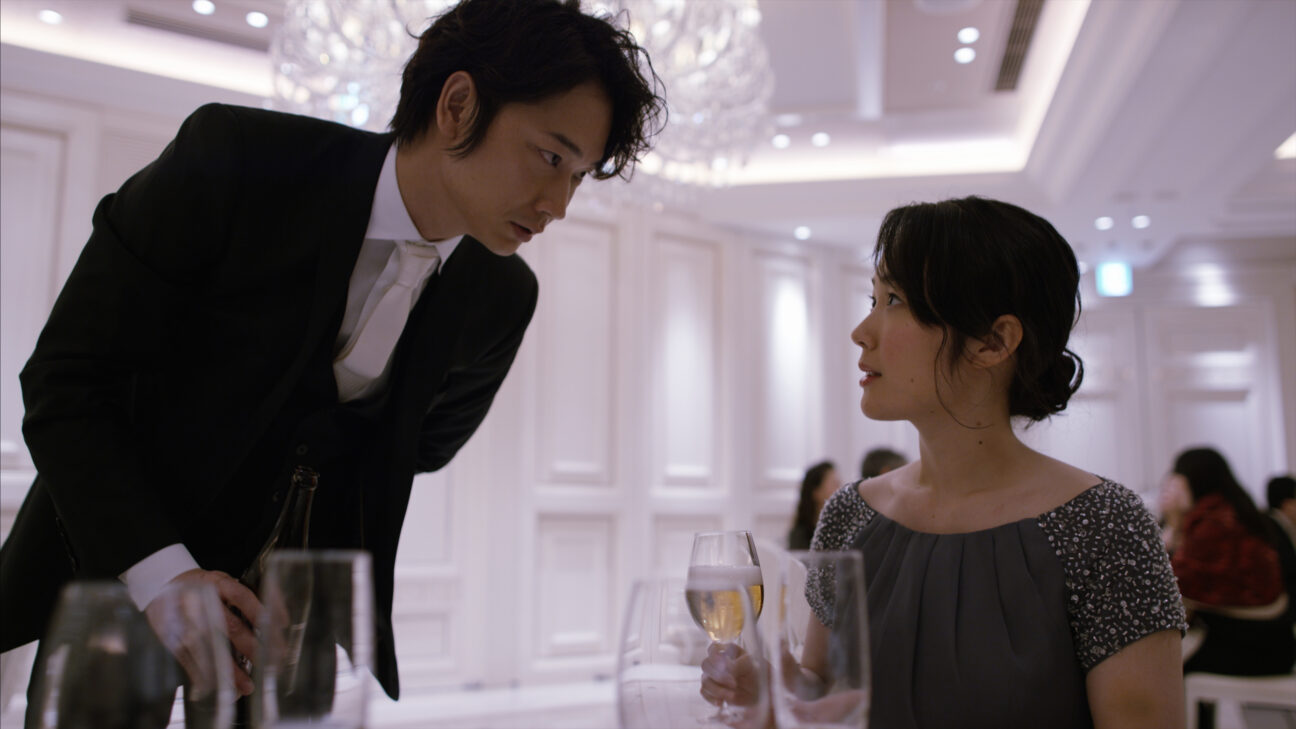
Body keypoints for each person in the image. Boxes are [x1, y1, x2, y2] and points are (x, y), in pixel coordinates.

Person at [0, 0, 664, 722]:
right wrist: (162, 574)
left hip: (289, 630)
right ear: (458, 106)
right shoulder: (238, 160)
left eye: (579, 175)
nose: (559, 204)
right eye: (552, 157)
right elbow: (66, 379)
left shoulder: (499, 297)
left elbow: (420, 444)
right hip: (120, 577)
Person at [702, 197, 1186, 728]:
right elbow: (825, 686)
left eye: (894, 300)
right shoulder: (850, 514)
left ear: (993, 342)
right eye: (873, 298)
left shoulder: (1103, 525)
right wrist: (769, 688)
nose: (861, 331)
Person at [1161, 450, 1293, 678]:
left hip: (1251, 646)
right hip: (1275, 639)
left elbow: (1173, 584)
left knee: (1164, 670)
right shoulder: (1239, 512)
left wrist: (1173, 524)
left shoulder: (1213, 523)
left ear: (1191, 480)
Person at [787, 461, 841, 550]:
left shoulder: (842, 529)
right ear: (816, 492)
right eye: (834, 484)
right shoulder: (800, 535)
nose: (840, 490)